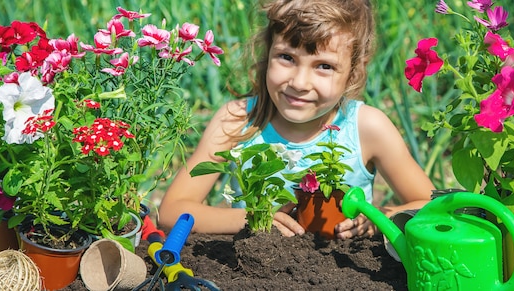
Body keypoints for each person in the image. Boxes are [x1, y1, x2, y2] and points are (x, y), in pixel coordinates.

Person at [158, 0, 435, 239]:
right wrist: (253, 220)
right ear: (268, 53)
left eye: (324, 66)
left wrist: (379, 219)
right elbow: (172, 211)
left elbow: (431, 205)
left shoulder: (366, 127)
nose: (300, 83)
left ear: (353, 71)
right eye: (287, 57)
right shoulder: (238, 120)